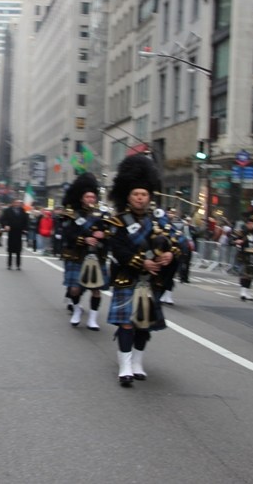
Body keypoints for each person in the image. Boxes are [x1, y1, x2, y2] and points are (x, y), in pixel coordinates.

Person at [105, 154, 180, 387]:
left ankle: (137, 362)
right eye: (136, 194)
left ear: (149, 197)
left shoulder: (160, 222)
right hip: (127, 278)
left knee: (143, 324)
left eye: (144, 194)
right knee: (127, 323)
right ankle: (125, 367)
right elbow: (118, 250)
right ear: (128, 196)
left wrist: (170, 255)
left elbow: (176, 245)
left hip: (151, 280)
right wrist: (141, 262)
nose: (140, 198)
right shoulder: (118, 222)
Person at [61, 173, 110, 329]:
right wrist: (84, 239)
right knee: (74, 289)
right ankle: (76, 311)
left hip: (97, 256)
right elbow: (67, 233)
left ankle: (92, 319)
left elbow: (112, 232)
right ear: (82, 198)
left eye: (93, 197)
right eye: (87, 197)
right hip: (78, 255)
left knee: (96, 289)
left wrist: (104, 234)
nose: (90, 199)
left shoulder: (103, 214)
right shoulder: (72, 214)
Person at [233, 214, 253, 301]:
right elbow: (232, 240)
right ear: (247, 223)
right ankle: (243, 291)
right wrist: (237, 241)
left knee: (251, 274)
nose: (252, 225)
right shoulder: (242, 232)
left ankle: (247, 291)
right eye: (251, 223)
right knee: (244, 273)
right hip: (244, 255)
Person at [0, 199, 28, 270]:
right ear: (12, 203)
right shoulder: (8, 210)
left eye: (19, 203)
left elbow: (26, 220)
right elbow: (3, 219)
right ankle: (9, 264)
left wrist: (25, 228)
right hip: (11, 231)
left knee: (18, 250)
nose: (17, 204)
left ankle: (18, 265)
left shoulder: (23, 210)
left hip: (19, 232)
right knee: (10, 249)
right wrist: (6, 225)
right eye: (16, 203)